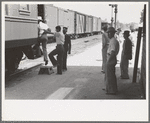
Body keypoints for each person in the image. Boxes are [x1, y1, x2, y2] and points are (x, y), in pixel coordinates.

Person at [105, 27, 119, 95]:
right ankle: (111, 88)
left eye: (109, 33)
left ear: (112, 33)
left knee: (110, 76)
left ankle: (112, 90)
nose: (108, 34)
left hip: (111, 58)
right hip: (111, 58)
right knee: (111, 75)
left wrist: (109, 61)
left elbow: (113, 52)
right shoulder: (112, 40)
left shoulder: (113, 41)